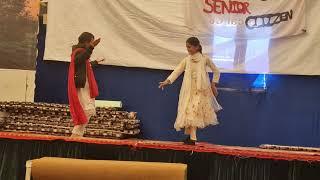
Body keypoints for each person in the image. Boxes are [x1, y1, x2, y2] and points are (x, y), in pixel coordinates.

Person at [159, 37, 222, 145]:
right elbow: (177, 70)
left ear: (197, 47)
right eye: (187, 47)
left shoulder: (204, 59)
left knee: (193, 113)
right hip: (188, 91)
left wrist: (213, 84)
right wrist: (167, 81)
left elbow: (216, 71)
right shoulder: (187, 60)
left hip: (200, 91)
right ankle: (190, 137)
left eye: (189, 47)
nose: (188, 49)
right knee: (188, 112)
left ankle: (193, 138)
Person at [68, 32, 104, 137]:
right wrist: (91, 47)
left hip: (86, 85)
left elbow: (85, 65)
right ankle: (76, 134)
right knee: (87, 110)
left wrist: (96, 62)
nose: (92, 44)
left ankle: (77, 134)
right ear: (87, 42)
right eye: (91, 42)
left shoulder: (82, 53)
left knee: (88, 110)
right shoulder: (78, 51)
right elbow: (79, 60)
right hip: (82, 86)